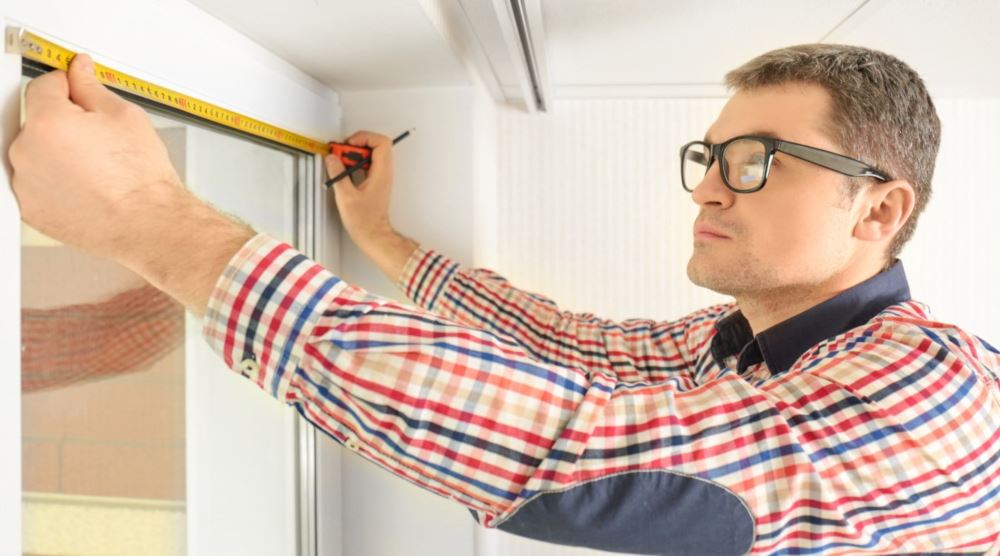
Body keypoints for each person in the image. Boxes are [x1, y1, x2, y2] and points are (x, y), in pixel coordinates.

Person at [9, 44, 999, 554]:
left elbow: (576, 448)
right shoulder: (737, 348)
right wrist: (382, 236)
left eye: (752, 163)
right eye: (707, 158)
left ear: (878, 207)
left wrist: (142, 216)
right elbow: (562, 344)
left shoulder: (931, 387)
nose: (705, 185)